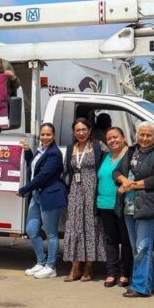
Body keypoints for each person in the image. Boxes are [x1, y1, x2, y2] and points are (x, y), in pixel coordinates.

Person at [114, 122, 154, 298]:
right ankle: (148, 284)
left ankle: (139, 286)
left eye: (149, 135)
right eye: (141, 135)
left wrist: (131, 186)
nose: (144, 139)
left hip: (148, 206)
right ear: (136, 136)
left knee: (142, 247)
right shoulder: (131, 151)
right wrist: (123, 180)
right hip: (129, 207)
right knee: (136, 247)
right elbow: (116, 172)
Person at [18, 123, 67, 280]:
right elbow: (34, 169)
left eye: (48, 134)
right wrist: (28, 153)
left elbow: (43, 176)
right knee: (32, 230)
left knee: (51, 233)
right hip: (37, 195)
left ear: (53, 136)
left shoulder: (54, 153)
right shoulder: (41, 151)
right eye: (43, 134)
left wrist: (23, 189)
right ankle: (41, 262)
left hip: (50, 195)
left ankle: (51, 267)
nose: (45, 137)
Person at [61, 118, 106, 282]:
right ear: (74, 132)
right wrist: (67, 190)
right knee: (74, 229)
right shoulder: (70, 148)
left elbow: (109, 164)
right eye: (77, 130)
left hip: (92, 192)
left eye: (84, 129)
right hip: (75, 193)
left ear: (90, 130)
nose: (81, 133)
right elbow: (66, 171)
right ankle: (74, 268)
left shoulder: (98, 146)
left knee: (91, 229)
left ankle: (88, 268)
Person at [96, 126, 132, 288]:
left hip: (122, 204)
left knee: (125, 240)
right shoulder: (105, 156)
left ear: (123, 137)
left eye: (116, 137)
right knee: (110, 240)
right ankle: (111, 272)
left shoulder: (130, 155)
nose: (113, 140)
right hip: (104, 204)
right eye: (109, 138)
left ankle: (125, 273)